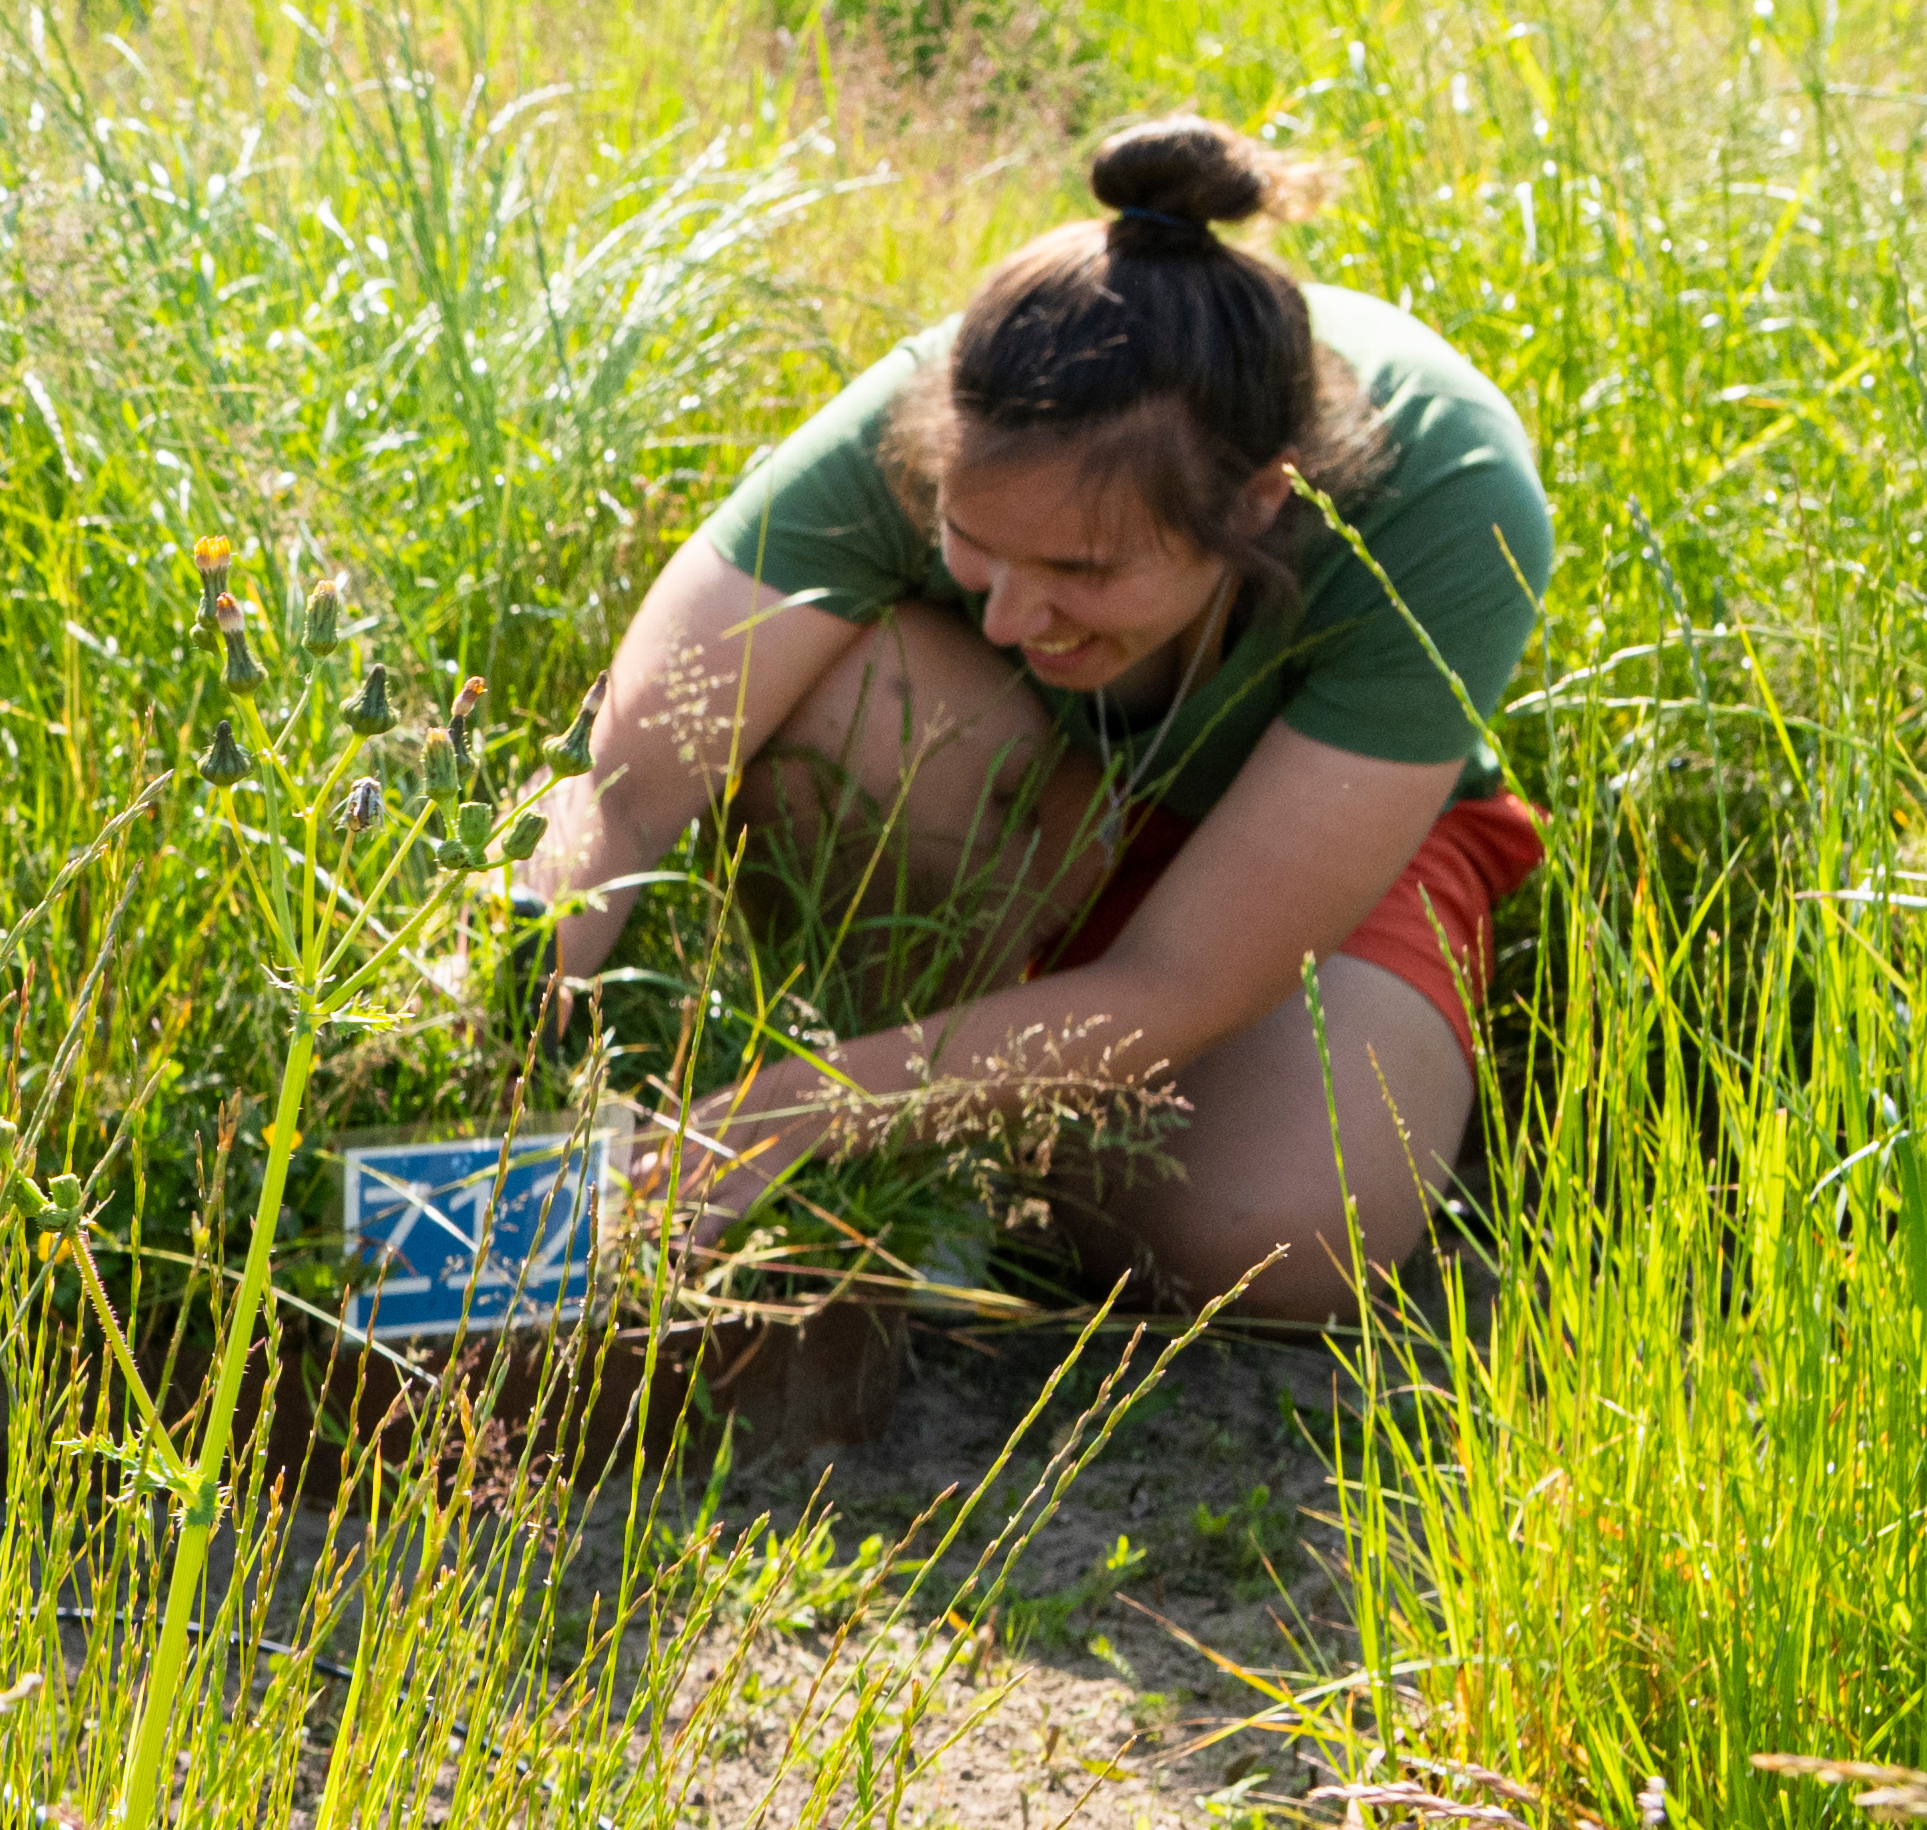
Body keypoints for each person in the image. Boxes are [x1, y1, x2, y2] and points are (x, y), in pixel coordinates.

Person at [516, 116, 1552, 1322]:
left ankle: (939, 1118)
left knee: (1254, 1243)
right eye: (972, 548)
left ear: (1261, 500)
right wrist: (478, 1023)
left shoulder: (1443, 489)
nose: (1009, 619)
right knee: (861, 701)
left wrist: (788, 1107)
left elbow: (1187, 973)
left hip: (1316, 855)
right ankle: (932, 1151)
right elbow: (629, 789)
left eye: (1084, 572)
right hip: (1042, 803)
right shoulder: (934, 414)